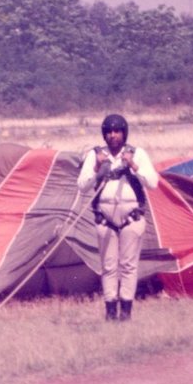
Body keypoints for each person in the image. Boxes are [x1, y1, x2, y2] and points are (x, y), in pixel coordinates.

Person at [77, 114, 159, 321]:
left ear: (124, 133)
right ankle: (111, 311)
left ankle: (126, 312)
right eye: (109, 132)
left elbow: (152, 183)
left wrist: (133, 166)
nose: (113, 136)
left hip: (132, 217)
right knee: (108, 266)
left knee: (129, 266)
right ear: (104, 134)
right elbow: (82, 186)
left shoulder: (137, 154)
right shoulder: (95, 156)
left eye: (117, 131)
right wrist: (97, 169)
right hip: (105, 219)